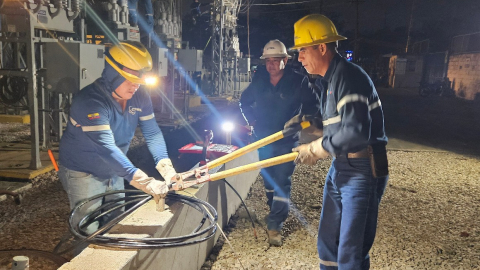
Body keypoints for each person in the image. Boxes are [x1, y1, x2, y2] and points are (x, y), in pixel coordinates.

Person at [288, 14, 389, 269]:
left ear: (322, 47)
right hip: (342, 167)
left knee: (350, 250)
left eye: (302, 50)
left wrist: (316, 148)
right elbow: (338, 126)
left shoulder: (348, 76)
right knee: (328, 244)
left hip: (362, 169)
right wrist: (309, 124)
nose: (298, 57)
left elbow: (355, 132)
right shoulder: (330, 80)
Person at [58, 41, 177, 242]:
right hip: (83, 171)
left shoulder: (139, 96)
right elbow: (107, 150)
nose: (136, 86)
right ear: (113, 74)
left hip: (115, 170)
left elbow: (153, 133)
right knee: (87, 229)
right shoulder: (90, 101)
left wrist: (166, 168)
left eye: (139, 81)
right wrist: (145, 183)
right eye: (130, 80)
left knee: (115, 222)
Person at [239, 39, 318, 246]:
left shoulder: (298, 81)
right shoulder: (260, 80)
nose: (271, 64)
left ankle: (275, 224)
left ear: (285, 60)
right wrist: (251, 120)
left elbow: (314, 107)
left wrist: (301, 121)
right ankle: (273, 210)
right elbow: (244, 101)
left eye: (275, 60)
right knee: (268, 181)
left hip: (287, 140)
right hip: (263, 139)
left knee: (282, 180)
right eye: (267, 61)